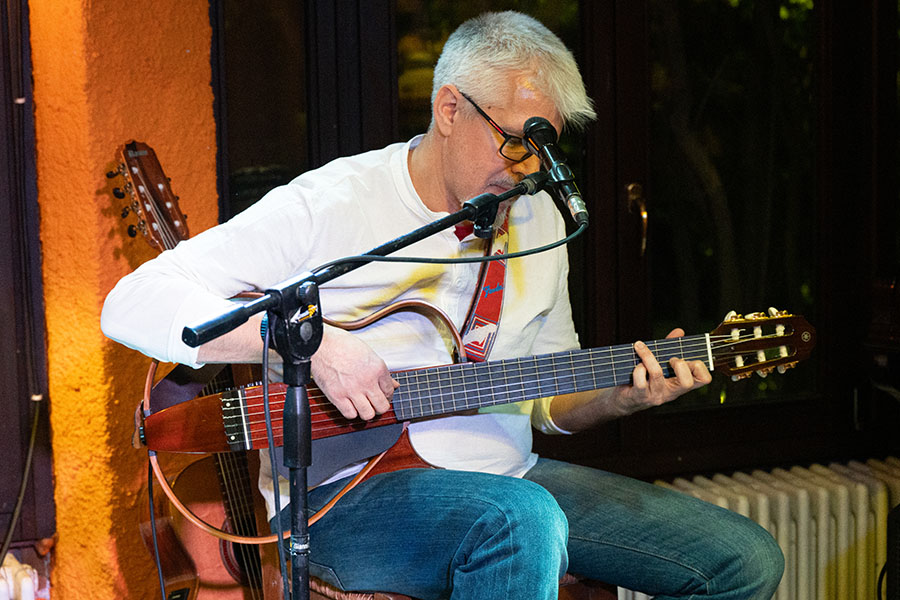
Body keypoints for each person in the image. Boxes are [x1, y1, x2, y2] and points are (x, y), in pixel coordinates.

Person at [102, 11, 784, 600]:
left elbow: (548, 400)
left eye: (545, 150)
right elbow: (132, 303)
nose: (528, 169)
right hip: (342, 500)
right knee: (520, 520)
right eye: (516, 140)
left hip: (509, 479)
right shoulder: (332, 204)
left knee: (742, 559)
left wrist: (619, 398)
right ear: (450, 109)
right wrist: (313, 343)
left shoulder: (541, 219)